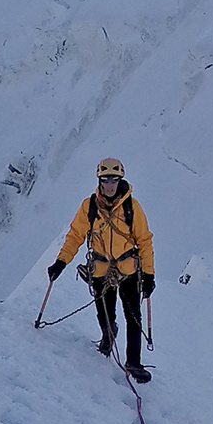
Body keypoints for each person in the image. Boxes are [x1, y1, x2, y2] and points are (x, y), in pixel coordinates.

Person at [48, 157, 156, 381]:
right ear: (99, 180)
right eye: (105, 179)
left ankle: (133, 362)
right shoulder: (89, 207)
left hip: (127, 271)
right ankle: (108, 334)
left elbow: (144, 240)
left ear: (120, 180)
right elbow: (75, 236)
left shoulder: (131, 207)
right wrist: (61, 261)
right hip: (100, 270)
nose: (109, 184)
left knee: (133, 317)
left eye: (113, 180)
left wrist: (148, 275)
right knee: (105, 314)